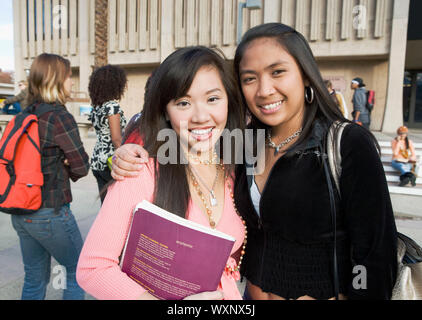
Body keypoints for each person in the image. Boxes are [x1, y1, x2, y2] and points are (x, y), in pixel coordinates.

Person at [111, 23, 398, 300]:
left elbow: (375, 254)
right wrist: (129, 154)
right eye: (250, 78)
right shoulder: (242, 143)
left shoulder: (346, 143)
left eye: (278, 72)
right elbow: (181, 149)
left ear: (305, 75)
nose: (264, 90)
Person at [76, 46, 246, 300]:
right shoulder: (142, 172)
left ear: (229, 102)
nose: (200, 116)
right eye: (184, 103)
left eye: (213, 99)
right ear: (166, 110)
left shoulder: (235, 169)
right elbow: (93, 268)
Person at [11, 53, 90, 300]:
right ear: (55, 80)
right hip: (50, 212)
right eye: (68, 77)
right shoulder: (59, 117)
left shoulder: (23, 116)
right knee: (78, 271)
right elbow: (81, 166)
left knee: (34, 278)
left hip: (21, 211)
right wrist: (65, 165)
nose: (71, 82)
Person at [88, 65, 127, 203]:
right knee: (116, 205)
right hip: (110, 162)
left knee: (105, 205)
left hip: (97, 160)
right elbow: (116, 138)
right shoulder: (112, 106)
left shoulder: (96, 107)